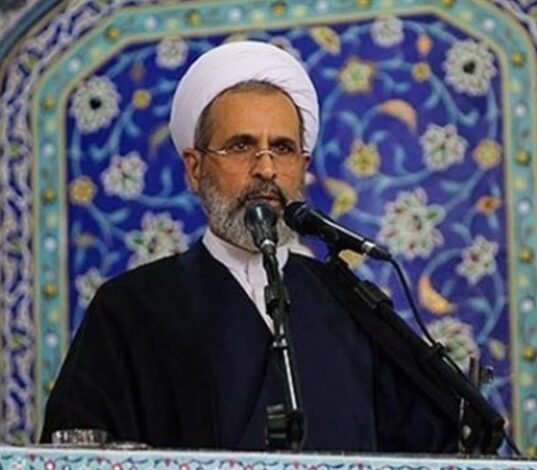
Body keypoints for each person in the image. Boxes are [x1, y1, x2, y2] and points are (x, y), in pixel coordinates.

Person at [41, 41, 456, 452]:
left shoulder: (350, 301)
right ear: (194, 168)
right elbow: (78, 449)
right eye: (241, 146)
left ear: (303, 169)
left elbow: (430, 444)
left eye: (283, 148)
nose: (266, 168)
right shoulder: (130, 308)